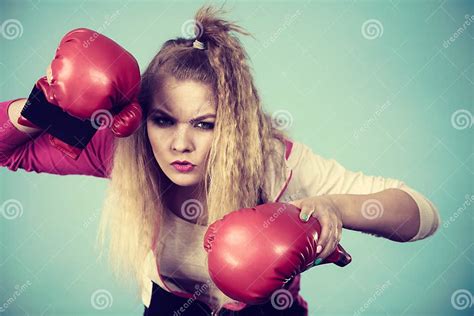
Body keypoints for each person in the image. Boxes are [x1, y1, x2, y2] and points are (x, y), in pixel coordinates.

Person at [0, 5, 440, 316]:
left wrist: (335, 208)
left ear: (232, 126)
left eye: (205, 125)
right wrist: (43, 104)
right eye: (163, 120)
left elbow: (422, 213)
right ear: (142, 117)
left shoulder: (273, 162)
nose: (180, 143)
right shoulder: (128, 148)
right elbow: (11, 151)